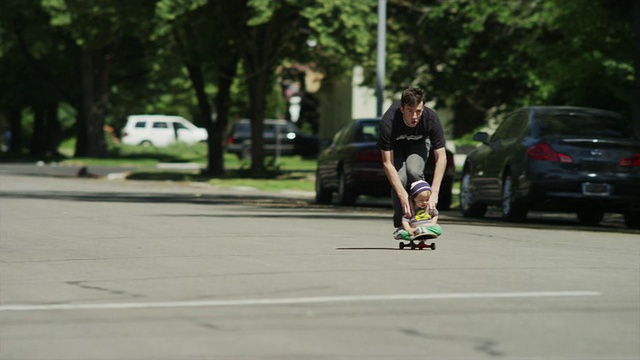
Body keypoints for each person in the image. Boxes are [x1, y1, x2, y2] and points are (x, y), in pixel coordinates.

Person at [377, 87, 447, 240]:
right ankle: (402, 224)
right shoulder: (388, 122)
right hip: (396, 148)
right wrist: (403, 195)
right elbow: (387, 163)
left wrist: (434, 192)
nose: (415, 116)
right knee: (400, 180)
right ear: (402, 109)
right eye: (410, 111)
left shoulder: (431, 119)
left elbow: (441, 157)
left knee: (414, 171)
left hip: (418, 145)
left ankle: (423, 219)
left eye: (419, 111)